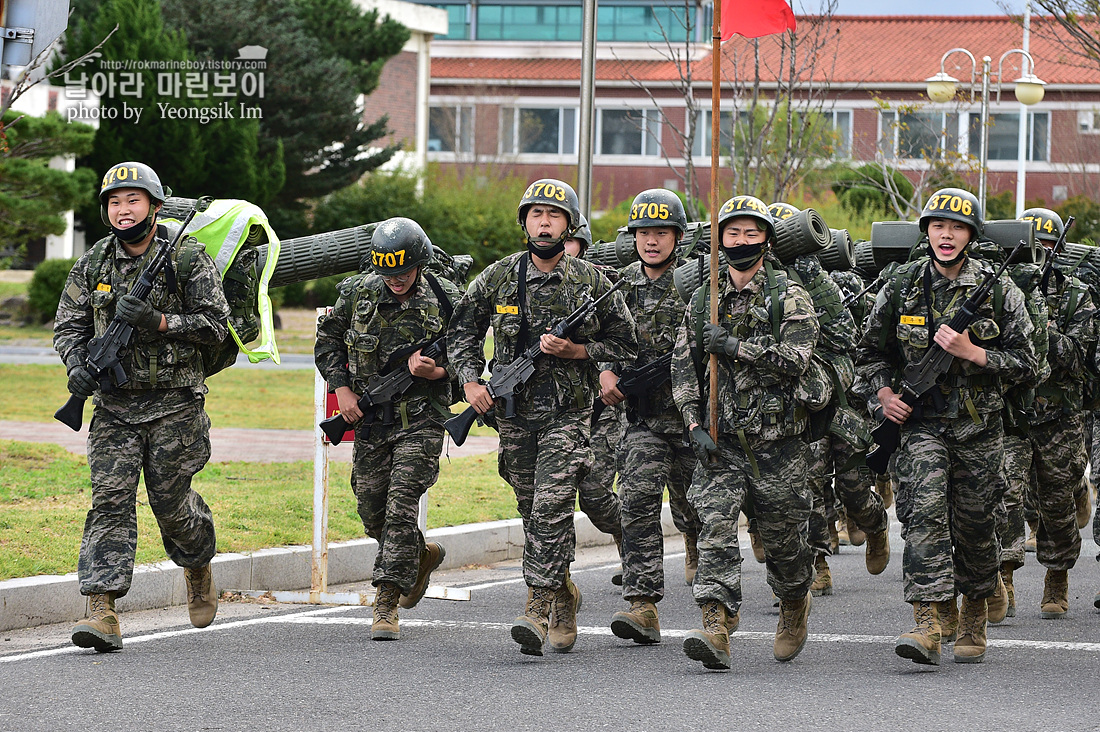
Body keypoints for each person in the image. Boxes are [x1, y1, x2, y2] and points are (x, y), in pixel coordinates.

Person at [448, 178, 637, 656]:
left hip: (568, 417)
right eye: (537, 215)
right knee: (531, 509)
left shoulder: (593, 282)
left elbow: (627, 345)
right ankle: (565, 591)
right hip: (513, 417)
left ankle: (538, 602)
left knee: (551, 506)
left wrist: (578, 351)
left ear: (569, 224)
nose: (545, 222)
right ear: (525, 222)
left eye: (554, 216)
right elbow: (461, 332)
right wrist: (471, 381)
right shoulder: (497, 277)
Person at [856, 188, 1037, 666]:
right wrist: (884, 396)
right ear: (927, 232)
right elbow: (869, 354)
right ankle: (929, 620)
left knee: (976, 526)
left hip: (979, 430)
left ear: (972, 235)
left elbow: (1029, 364)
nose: (947, 234)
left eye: (957, 227)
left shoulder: (998, 290)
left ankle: (974, 609)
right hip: (920, 428)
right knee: (925, 517)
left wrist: (973, 353)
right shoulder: (901, 286)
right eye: (938, 226)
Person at [54, 161, 231, 652]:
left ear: (153, 206)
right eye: (114, 201)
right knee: (109, 503)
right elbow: (68, 324)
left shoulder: (186, 258)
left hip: (175, 406)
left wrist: (160, 321)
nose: (123, 210)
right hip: (114, 408)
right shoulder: (94, 262)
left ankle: (197, 564)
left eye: (133, 200)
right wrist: (77, 365)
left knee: (171, 507)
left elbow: (218, 326)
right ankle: (102, 609)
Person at [672, 194, 819, 670]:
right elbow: (683, 367)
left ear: (766, 239)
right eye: (732, 234)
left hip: (779, 443)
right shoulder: (703, 299)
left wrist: (736, 346)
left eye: (750, 233)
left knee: (785, 544)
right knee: (713, 526)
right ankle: (716, 622)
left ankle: (794, 601)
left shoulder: (789, 295)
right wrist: (693, 423)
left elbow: (796, 360)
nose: (741, 241)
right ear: (719, 241)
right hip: (722, 441)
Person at [314, 217, 459, 641]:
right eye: (387, 272)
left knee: (399, 506)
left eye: (403, 271)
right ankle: (418, 556)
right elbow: (328, 340)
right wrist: (341, 389)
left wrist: (438, 372)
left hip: (422, 420)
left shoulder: (447, 300)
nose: (395, 280)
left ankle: (386, 601)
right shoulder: (358, 293)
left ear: (420, 263)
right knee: (371, 507)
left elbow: (471, 362)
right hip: (371, 419)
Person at [603, 189, 702, 645]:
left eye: (661, 233)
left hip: (694, 418)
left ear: (677, 238)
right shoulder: (617, 284)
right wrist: (605, 372)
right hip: (643, 422)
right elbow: (598, 337)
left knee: (694, 507)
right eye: (644, 233)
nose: (651, 241)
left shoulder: (700, 283)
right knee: (637, 499)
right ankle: (643, 605)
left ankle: (698, 548)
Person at [1015, 207, 1096, 619]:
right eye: (1033, 246)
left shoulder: (1076, 295)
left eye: (1047, 247)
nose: (1039, 254)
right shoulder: (1000, 286)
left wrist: (1037, 322)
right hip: (1010, 410)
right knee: (1004, 496)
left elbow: (1076, 356)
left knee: (1055, 501)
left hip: (1058, 414)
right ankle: (1000, 579)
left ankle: (1057, 575)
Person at [564, 217, 626, 567]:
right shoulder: (524, 282)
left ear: (582, 245)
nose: (563, 247)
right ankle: (556, 582)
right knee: (549, 501)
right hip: (549, 411)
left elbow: (625, 338)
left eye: (570, 241)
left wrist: (606, 369)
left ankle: (628, 537)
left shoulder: (605, 285)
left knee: (596, 497)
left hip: (598, 410)